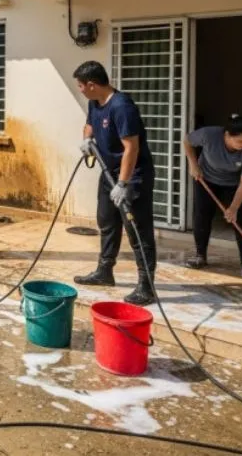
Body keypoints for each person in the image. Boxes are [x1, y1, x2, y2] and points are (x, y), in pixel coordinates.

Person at [73, 61, 158, 306]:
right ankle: (104, 271)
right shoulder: (94, 101)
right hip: (108, 171)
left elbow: (132, 147)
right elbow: (90, 123)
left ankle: (146, 286)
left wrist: (123, 184)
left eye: (80, 85)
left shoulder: (122, 107)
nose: (79, 89)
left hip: (132, 176)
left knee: (137, 230)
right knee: (107, 221)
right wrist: (87, 139)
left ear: (92, 84)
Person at [183, 114, 242, 280]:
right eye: (240, 141)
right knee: (202, 216)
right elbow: (187, 141)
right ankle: (200, 255)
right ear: (226, 135)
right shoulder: (209, 135)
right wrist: (193, 164)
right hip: (207, 179)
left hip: (236, 184)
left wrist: (233, 208)